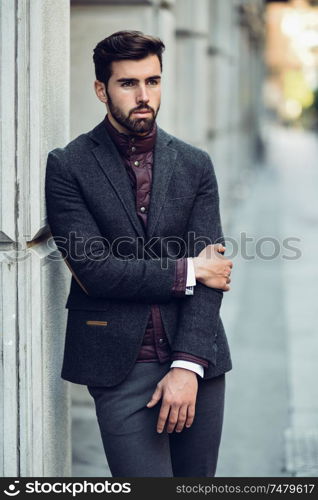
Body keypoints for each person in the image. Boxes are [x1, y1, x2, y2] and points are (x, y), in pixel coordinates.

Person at [45, 30, 233, 477]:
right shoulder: (68, 166)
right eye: (128, 83)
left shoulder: (194, 164)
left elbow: (215, 275)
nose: (144, 95)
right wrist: (189, 269)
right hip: (119, 369)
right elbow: (96, 270)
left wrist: (188, 366)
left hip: (197, 359)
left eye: (153, 81)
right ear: (101, 89)